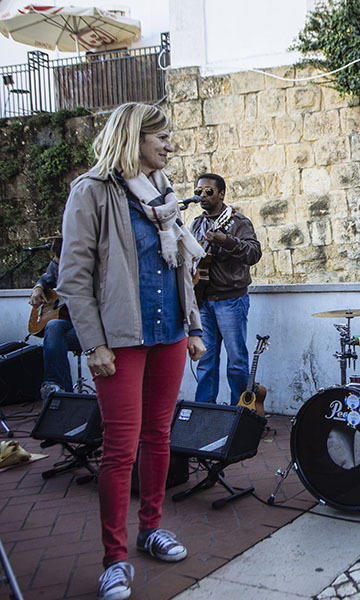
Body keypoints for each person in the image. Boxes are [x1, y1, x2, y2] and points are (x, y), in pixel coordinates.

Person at [57, 102, 207, 600]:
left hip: (166, 336)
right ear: (132, 137)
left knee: (159, 436)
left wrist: (193, 328)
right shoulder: (93, 191)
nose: (169, 145)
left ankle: (151, 528)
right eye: (160, 137)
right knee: (120, 449)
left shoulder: (162, 195)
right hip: (119, 341)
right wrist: (94, 342)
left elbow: (180, 270)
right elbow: (74, 278)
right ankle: (114, 558)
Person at [189, 173, 261, 406]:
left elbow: (254, 253)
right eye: (198, 191)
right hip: (204, 300)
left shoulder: (238, 222)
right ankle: (204, 411)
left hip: (231, 300)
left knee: (236, 360)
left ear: (221, 193)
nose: (202, 196)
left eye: (208, 191)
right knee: (205, 360)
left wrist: (226, 241)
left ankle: (240, 413)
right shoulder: (197, 224)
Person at [28, 236, 82, 398]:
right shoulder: (57, 264)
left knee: (56, 336)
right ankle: (57, 388)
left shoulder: (89, 268)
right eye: (55, 261)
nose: (57, 265)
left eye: (60, 261)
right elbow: (46, 278)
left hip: (90, 328)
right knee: (53, 327)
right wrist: (38, 288)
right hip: (68, 324)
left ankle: (61, 393)